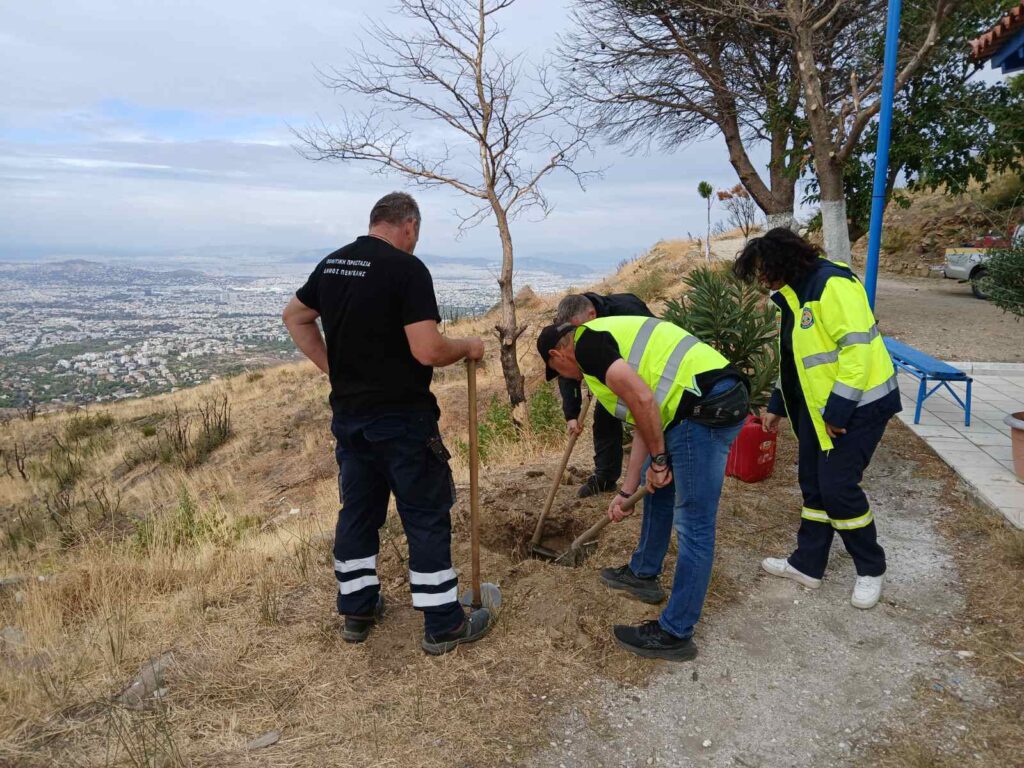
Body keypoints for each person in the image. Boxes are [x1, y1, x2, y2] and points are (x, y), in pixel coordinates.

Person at [282, 192, 492, 655]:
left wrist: (333, 369)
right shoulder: (406, 269)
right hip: (402, 418)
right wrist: (468, 346)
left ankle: (357, 610)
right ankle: (443, 622)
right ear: (410, 226)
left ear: (374, 221)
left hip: (350, 418)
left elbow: (294, 317)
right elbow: (428, 350)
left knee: (358, 511)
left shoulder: (334, 264)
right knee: (424, 511)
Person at [537, 317, 749, 661]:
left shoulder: (587, 346)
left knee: (694, 524)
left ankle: (675, 632)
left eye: (556, 370)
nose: (564, 377)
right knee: (658, 488)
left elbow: (645, 400)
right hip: (691, 407)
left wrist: (661, 461)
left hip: (705, 406)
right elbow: (642, 421)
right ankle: (643, 574)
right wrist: (627, 490)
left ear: (557, 353)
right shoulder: (603, 356)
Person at [732, 228, 901, 610]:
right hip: (816, 408)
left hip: (859, 407)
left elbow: (857, 354)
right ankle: (807, 564)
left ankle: (871, 568)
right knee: (813, 485)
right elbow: (797, 360)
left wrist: (838, 412)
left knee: (838, 488)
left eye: (763, 269)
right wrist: (777, 404)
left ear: (784, 261)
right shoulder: (793, 295)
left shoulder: (830, 285)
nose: (761, 279)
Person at [549, 293, 654, 497]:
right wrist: (571, 415)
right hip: (610, 377)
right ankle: (606, 477)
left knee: (648, 421)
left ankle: (654, 469)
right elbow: (568, 369)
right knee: (604, 419)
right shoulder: (568, 329)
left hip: (647, 375)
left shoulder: (628, 310)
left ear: (592, 314)